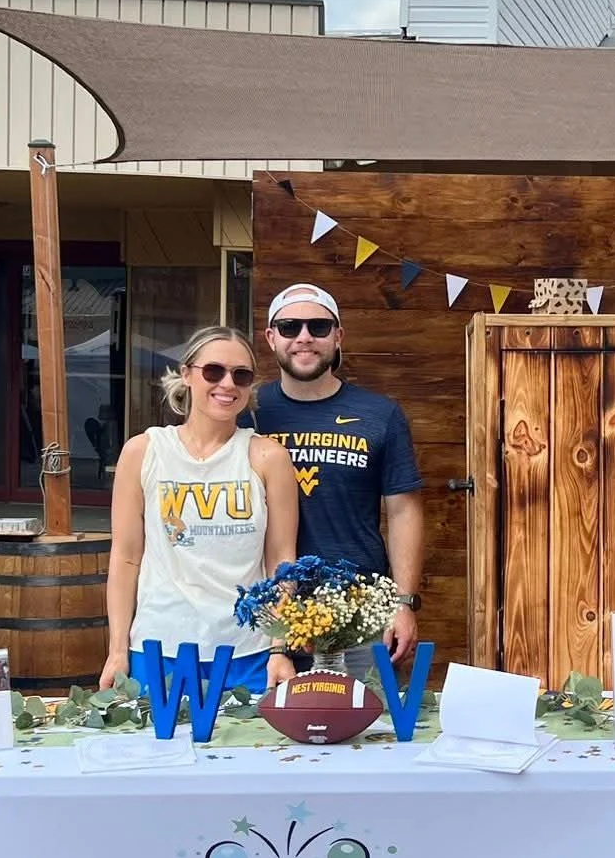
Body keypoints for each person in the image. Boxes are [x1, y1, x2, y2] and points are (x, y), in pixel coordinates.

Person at [102, 326, 300, 698]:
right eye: (214, 371)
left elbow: (281, 562)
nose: (227, 384)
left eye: (241, 375)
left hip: (247, 650)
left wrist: (279, 648)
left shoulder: (268, 457)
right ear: (187, 373)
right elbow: (126, 558)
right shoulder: (144, 451)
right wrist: (116, 651)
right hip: (159, 647)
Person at [252, 283, 424, 683]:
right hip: (271, 613)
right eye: (290, 327)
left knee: (370, 729)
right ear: (271, 337)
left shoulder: (380, 414)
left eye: (319, 327)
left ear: (338, 336)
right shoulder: (250, 414)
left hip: (362, 610)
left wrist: (403, 602)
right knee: (267, 736)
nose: (304, 338)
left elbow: (403, 512)